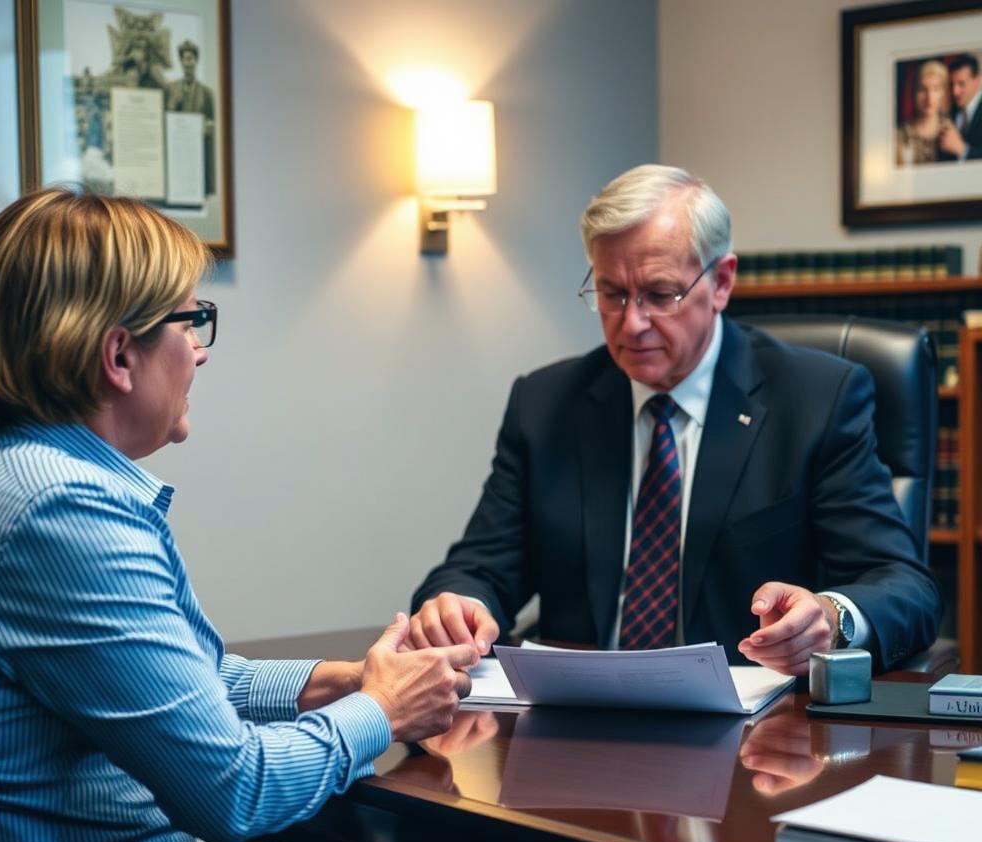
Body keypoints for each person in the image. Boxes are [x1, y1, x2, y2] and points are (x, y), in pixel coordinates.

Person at [0, 189, 477, 842]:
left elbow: (177, 686)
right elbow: (232, 793)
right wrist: (381, 714)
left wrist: (351, 680)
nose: (200, 352)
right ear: (118, 355)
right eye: (191, 320)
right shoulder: (64, 512)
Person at [408, 164, 941, 677]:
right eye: (612, 293)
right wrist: (456, 604)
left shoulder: (816, 399)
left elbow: (903, 586)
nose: (632, 323)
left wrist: (831, 616)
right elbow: (479, 566)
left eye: (660, 294)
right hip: (579, 719)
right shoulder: (546, 403)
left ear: (723, 282)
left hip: (758, 734)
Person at [164, 39, 216, 194]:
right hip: (177, 153)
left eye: (191, 59)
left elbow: (212, 123)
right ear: (180, 62)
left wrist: (207, 128)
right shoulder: (171, 89)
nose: (188, 63)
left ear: (196, 61)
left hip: (197, 154)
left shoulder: (206, 93)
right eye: (184, 59)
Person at [895, 60, 954, 165]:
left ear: (943, 93)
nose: (929, 98)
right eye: (922, 89)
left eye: (935, 89)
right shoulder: (899, 134)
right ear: (914, 92)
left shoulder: (951, 130)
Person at [938, 53, 982, 160]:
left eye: (961, 84)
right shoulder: (948, 111)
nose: (955, 91)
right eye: (952, 84)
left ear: (978, 80)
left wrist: (963, 150)